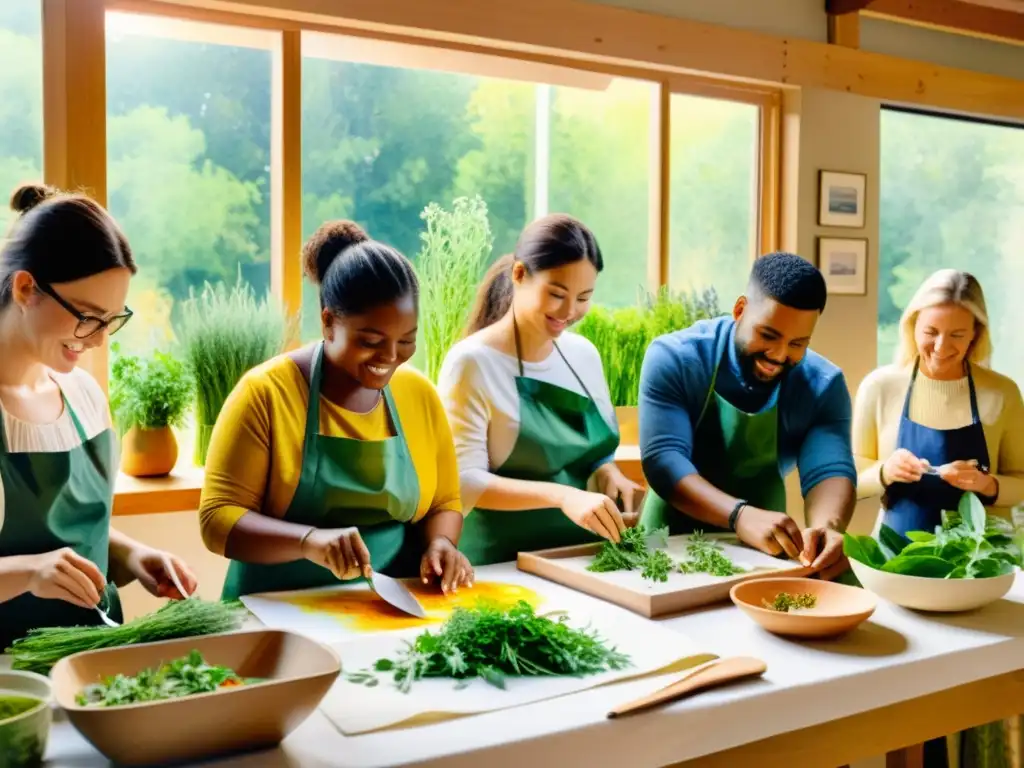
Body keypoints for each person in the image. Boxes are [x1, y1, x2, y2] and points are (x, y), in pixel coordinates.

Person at [200, 220, 473, 599]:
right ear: (328, 322)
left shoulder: (418, 394)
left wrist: (442, 542)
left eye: (406, 340)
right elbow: (217, 520)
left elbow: (444, 501)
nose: (391, 357)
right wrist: (308, 541)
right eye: (371, 340)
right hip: (275, 607)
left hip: (389, 605)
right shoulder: (266, 394)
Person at [0, 183, 197, 648]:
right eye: (87, 316)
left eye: (111, 320)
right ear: (27, 289)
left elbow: (83, 530)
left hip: (93, 652)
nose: (98, 339)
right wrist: (29, 573)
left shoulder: (83, 395)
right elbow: (39, 558)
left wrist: (134, 556)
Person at [851, 270, 1024, 768]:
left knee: (969, 699)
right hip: (893, 567)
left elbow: (1021, 480)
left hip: (975, 572)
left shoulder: (1002, 393)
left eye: (957, 334)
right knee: (899, 699)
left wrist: (988, 485)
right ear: (912, 327)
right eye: (930, 331)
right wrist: (885, 470)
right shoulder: (881, 387)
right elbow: (851, 476)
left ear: (977, 335)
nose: (941, 346)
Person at [437, 214, 644, 566]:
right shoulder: (472, 363)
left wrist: (607, 472)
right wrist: (564, 497)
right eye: (557, 294)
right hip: (501, 567)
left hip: (582, 560)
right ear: (519, 275)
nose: (569, 311)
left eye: (583, 297)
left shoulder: (584, 356)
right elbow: (464, 483)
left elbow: (593, 454)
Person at [638, 252, 856, 579]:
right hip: (663, 543)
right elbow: (664, 460)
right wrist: (740, 516)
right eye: (768, 335)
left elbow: (830, 469)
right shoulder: (675, 358)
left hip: (763, 549)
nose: (779, 355)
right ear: (740, 310)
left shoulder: (823, 385)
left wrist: (827, 529)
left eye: (798, 343)